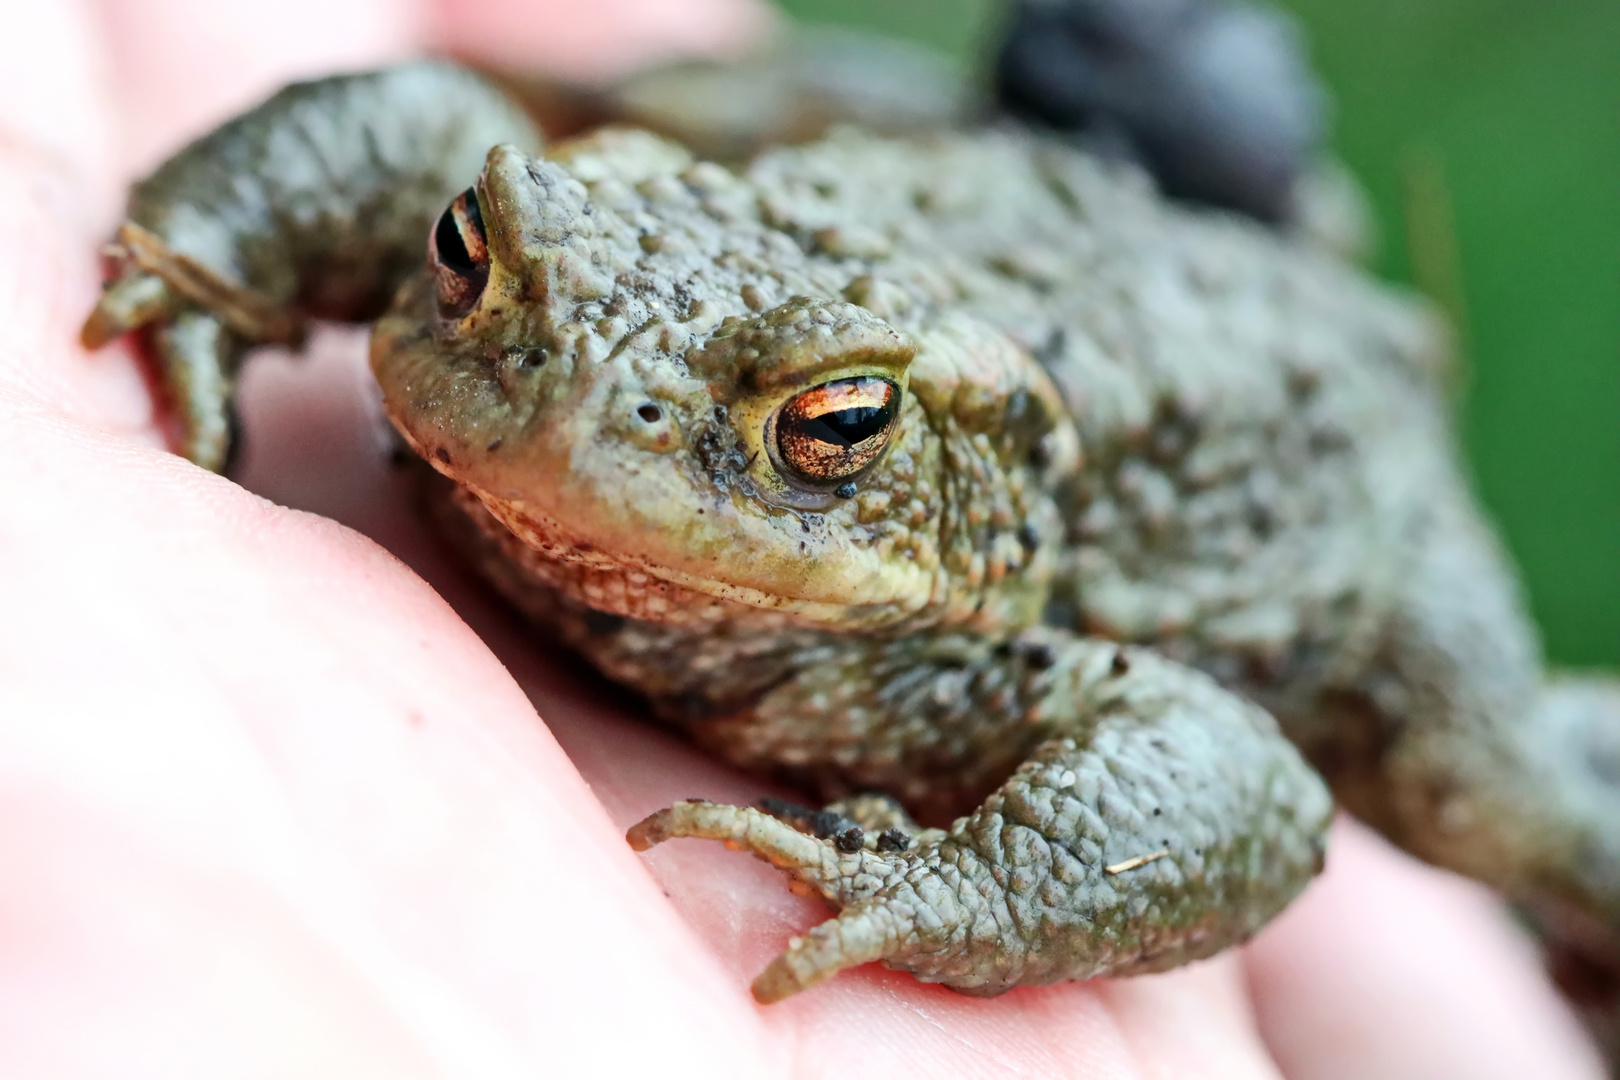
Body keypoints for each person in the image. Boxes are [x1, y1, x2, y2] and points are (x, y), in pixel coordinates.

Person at [0, 0, 1604, 1075]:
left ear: (887, 451)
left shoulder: (951, 663)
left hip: (1309, 440)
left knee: (1501, 800)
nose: (580, 424)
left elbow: (1234, 778)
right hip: (923, 219)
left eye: (821, 434)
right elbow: (423, 130)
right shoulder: (560, 261)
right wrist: (202, 256)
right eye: (476, 274)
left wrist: (983, 887)